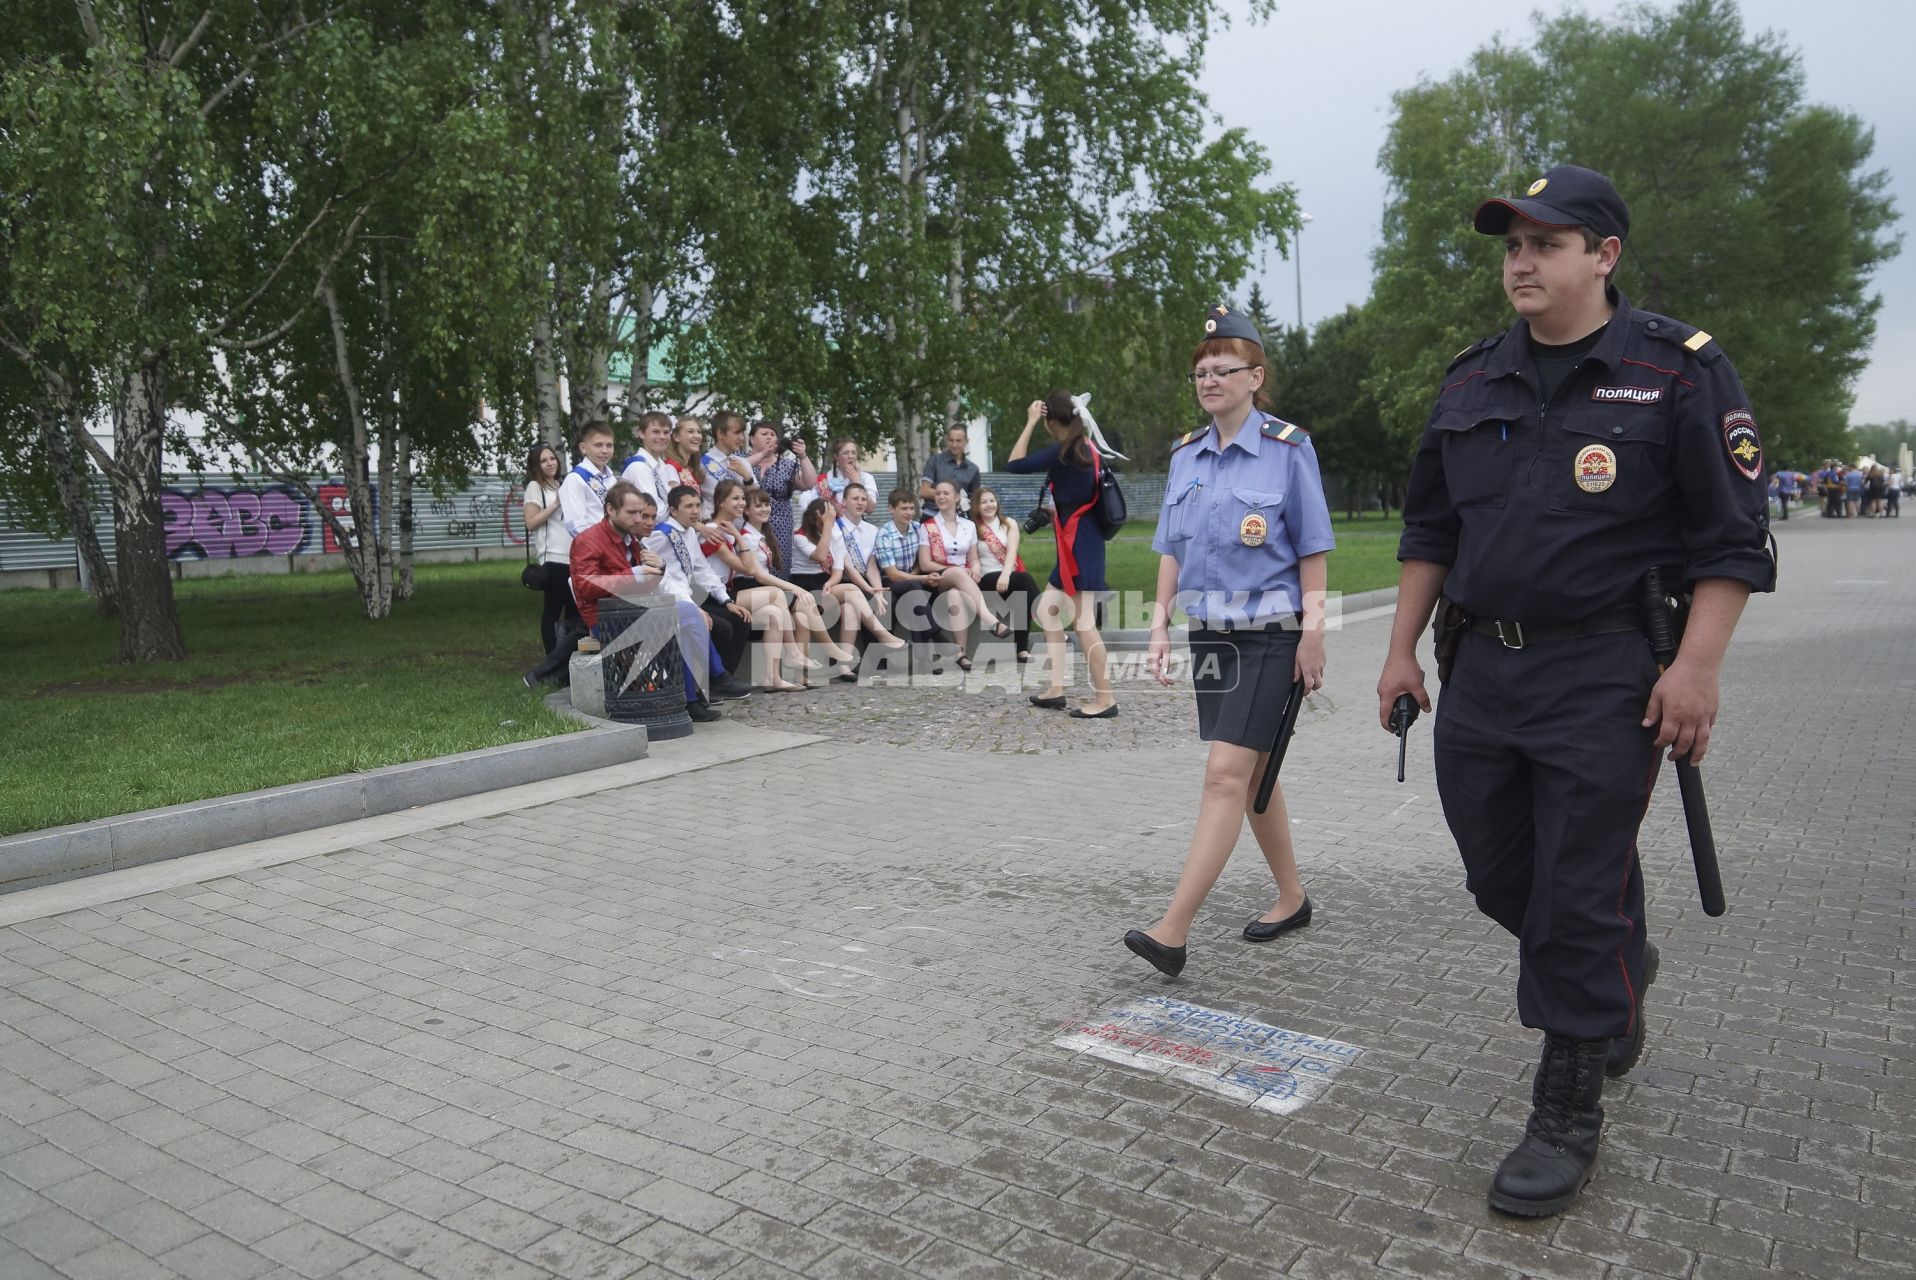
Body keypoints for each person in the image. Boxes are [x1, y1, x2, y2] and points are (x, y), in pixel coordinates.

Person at [1375, 165, 1774, 1218]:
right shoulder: (1469, 380)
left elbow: (1731, 536)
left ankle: (1564, 1104)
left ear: (1601, 256)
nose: (1519, 259)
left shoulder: (1676, 372)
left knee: (1575, 880)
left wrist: (1695, 666)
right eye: (1510, 243)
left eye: (1544, 243)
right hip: (1480, 666)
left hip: (1608, 672)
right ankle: (1615, 961)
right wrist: (1398, 649)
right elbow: (1428, 530)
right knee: (1501, 873)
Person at [1128, 303, 1333, 980]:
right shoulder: (1187, 455)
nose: (1210, 380)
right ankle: (1292, 896)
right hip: (1210, 635)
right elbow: (1169, 550)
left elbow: (1312, 548)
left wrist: (1314, 635)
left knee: (1224, 776)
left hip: (1270, 636)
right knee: (1251, 780)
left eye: (1224, 370)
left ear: (1256, 376)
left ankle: (1173, 930)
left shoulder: (1287, 450)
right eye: (1202, 372)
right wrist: (1159, 623)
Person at [561, 483, 723, 723]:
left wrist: (659, 569)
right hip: (607, 620)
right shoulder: (589, 540)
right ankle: (700, 690)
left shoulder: (630, 539)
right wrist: (634, 573)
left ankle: (694, 694)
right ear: (610, 510)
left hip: (632, 612)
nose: (638, 518)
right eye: (631, 513)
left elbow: (644, 587)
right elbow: (585, 587)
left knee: (689, 616)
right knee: (688, 614)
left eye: (641, 513)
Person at [1007, 391, 1117, 718]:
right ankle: (1056, 688)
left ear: (1053, 422)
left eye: (1045, 422)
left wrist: (1028, 422)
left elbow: (1014, 464)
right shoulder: (1088, 450)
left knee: (1084, 624)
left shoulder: (1064, 453)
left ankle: (1105, 698)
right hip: (1082, 540)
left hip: (1078, 544)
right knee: (1046, 611)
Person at [703, 479, 814, 691]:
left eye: (742, 498)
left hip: (725, 593)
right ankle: (791, 652)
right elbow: (749, 569)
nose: (741, 503)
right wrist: (738, 536)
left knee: (774, 613)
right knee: (775, 593)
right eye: (735, 498)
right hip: (713, 596)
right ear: (720, 502)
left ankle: (772, 678)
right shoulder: (712, 530)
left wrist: (736, 535)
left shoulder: (730, 529)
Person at [649, 485, 756, 703]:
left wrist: (726, 601)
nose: (695, 510)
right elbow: (664, 579)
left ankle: (720, 681)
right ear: (673, 510)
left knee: (739, 618)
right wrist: (694, 608)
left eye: (698, 505)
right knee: (721, 628)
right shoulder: (660, 535)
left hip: (689, 598)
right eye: (688, 506)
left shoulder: (689, 532)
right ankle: (709, 681)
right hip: (673, 601)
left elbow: (702, 570)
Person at [793, 497, 901, 669]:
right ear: (813, 519)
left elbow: (838, 569)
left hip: (824, 587)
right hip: (803, 588)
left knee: (850, 607)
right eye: (826, 518)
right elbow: (820, 556)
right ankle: (883, 635)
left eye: (833, 519)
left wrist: (832, 581)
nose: (831, 522)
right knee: (851, 589)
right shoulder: (800, 536)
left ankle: (844, 664)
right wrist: (828, 528)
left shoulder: (835, 533)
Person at [921, 478, 1007, 670]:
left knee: (955, 595)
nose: (941, 496)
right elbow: (926, 564)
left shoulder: (968, 526)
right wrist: (958, 569)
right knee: (957, 573)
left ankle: (961, 653)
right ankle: (990, 620)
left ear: (957, 498)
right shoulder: (927, 526)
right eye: (938, 494)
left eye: (946, 493)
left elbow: (974, 558)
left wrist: (975, 568)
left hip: (962, 582)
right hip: (937, 580)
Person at [971, 487, 1040, 663]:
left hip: (1008, 575)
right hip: (986, 579)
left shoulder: (1009, 523)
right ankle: (1049, 621)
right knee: (1024, 580)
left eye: (992, 500)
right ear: (976, 506)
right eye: (984, 502)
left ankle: (1021, 650)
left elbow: (1012, 552)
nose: (989, 505)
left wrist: (1006, 575)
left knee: (1022, 593)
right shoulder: (973, 527)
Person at [522, 443, 572, 654]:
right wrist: (555, 504)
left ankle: (570, 659)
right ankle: (552, 660)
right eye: (544, 460)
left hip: (573, 557)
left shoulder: (563, 484)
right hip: (553, 557)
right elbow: (531, 522)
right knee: (552, 611)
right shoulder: (535, 487)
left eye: (552, 458)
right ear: (536, 466)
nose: (550, 463)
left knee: (574, 612)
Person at [747, 420, 816, 570]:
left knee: (778, 566)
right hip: (747, 522)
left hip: (779, 524)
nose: (769, 437)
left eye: (773, 435)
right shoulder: (741, 458)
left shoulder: (786, 464)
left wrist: (803, 456)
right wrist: (763, 454)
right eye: (764, 434)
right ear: (752, 438)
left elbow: (809, 483)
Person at [700, 409, 756, 516]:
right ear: (720, 433)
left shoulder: (743, 462)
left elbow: (756, 498)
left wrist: (747, 478)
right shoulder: (702, 464)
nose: (741, 438)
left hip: (740, 528)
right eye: (736, 433)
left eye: (742, 433)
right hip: (714, 527)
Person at [919, 423, 981, 517]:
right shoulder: (934, 461)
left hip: (959, 519)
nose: (954, 444)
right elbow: (924, 491)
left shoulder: (973, 469)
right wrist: (953, 496)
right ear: (947, 441)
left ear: (966, 441)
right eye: (951, 440)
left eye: (958, 441)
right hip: (932, 516)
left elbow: (975, 501)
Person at [620, 411, 675, 513]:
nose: (662, 437)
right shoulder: (639, 467)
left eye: (666, 432)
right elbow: (654, 512)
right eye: (656, 432)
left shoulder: (661, 465)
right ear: (641, 434)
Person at [814, 438, 879, 516]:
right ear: (836, 456)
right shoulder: (826, 479)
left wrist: (857, 481)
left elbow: (870, 509)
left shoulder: (866, 478)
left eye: (853, 452)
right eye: (846, 453)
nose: (851, 456)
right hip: (830, 524)